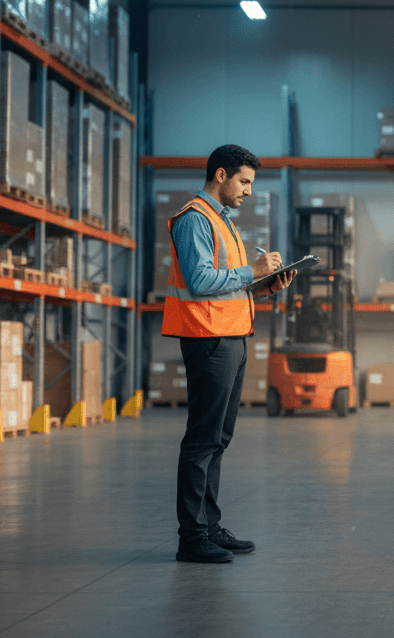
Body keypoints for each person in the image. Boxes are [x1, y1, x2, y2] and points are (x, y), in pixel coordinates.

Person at [163, 144, 296, 564]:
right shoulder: (194, 220)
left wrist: (267, 283)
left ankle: (210, 526)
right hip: (208, 339)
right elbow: (201, 281)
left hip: (232, 337)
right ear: (220, 175)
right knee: (201, 440)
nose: (249, 191)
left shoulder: (224, 222)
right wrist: (251, 272)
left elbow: (228, 283)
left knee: (219, 439)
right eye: (244, 181)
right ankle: (192, 536)